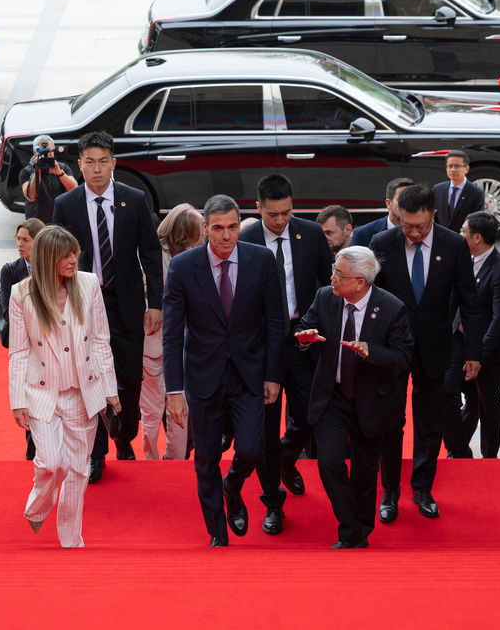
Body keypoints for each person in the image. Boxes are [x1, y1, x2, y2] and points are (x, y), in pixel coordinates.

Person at [163, 195, 284, 547]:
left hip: (250, 374)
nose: (227, 235)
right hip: (203, 375)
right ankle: (218, 532)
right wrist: (174, 391)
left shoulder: (261, 260)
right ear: (205, 228)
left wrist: (273, 375)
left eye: (232, 227)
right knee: (206, 458)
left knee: (249, 448)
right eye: (218, 228)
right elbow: (172, 333)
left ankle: (232, 486)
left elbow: (276, 323)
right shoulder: (183, 267)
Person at [52, 131, 163, 477]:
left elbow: (150, 251)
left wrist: (155, 302)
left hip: (126, 302)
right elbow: (56, 255)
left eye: (103, 161)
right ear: (79, 165)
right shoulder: (65, 205)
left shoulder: (134, 198)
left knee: (129, 378)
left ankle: (124, 433)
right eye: (89, 162)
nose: (97, 169)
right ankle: (96, 452)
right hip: (84, 303)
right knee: (90, 377)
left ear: (113, 163)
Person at [370, 185, 480, 521]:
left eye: (421, 226)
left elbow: (469, 302)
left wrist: (473, 352)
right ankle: (389, 491)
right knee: (391, 422)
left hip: (435, 345)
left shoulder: (454, 244)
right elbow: (371, 298)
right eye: (407, 225)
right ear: (398, 217)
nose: (414, 233)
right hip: (392, 348)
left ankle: (422, 488)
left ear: (434, 215)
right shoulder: (383, 243)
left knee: (430, 423)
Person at [8, 226, 121, 547]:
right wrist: (17, 400)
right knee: (49, 463)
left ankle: (72, 541)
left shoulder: (88, 284)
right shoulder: (22, 294)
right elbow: (18, 351)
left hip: (82, 392)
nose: (74, 259)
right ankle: (37, 506)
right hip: (41, 392)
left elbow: (101, 339)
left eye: (75, 252)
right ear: (47, 259)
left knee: (78, 470)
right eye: (66, 255)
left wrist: (110, 389)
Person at [295, 246, 413, 548]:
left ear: (360, 281)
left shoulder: (391, 308)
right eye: (334, 270)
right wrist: (305, 339)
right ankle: (352, 527)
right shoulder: (325, 297)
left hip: (372, 401)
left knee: (364, 472)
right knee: (329, 463)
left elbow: (404, 356)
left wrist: (371, 351)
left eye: (339, 274)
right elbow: (304, 326)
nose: (332, 278)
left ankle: (357, 532)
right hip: (331, 396)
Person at [242, 174, 333, 534]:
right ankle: (272, 503)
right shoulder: (245, 239)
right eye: (273, 214)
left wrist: (318, 328)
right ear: (258, 208)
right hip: (263, 344)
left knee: (312, 412)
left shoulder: (310, 234)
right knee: (265, 426)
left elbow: (326, 287)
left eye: (287, 212)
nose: (281, 221)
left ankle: (285, 457)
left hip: (303, 337)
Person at [140, 204, 201, 461]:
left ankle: (157, 460)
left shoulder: (150, 258)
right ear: (186, 234)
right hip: (160, 342)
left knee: (156, 410)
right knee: (167, 408)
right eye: (200, 233)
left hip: (163, 344)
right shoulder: (174, 262)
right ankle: (172, 460)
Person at [455, 211, 500, 458]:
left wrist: (478, 355)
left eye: (463, 231)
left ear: (477, 237)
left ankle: (489, 455)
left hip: (488, 352)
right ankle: (459, 449)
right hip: (462, 344)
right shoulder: (464, 259)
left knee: (488, 402)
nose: (459, 235)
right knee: (468, 399)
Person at [0, 218, 46, 459]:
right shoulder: (10, 270)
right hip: (27, 347)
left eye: (25, 240)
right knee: (34, 409)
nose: (20, 244)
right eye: (18, 239)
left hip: (53, 345)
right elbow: (8, 311)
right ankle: (33, 457)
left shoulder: (54, 266)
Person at [20, 135, 77, 224]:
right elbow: (31, 196)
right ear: (35, 152)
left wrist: (60, 173)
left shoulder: (62, 167)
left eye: (50, 151)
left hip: (60, 219)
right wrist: (37, 171)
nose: (47, 155)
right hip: (37, 223)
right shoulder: (26, 172)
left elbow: (74, 189)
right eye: (43, 153)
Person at [349, 177, 416, 247]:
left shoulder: (422, 233)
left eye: (412, 200)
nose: (408, 204)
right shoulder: (363, 234)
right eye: (402, 199)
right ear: (389, 203)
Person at [433, 151, 486, 233]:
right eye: (450, 166)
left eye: (457, 166)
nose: (453, 170)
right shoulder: (438, 189)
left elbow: (477, 223)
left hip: (463, 240)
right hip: (441, 238)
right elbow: (433, 217)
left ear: (466, 169)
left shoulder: (476, 193)